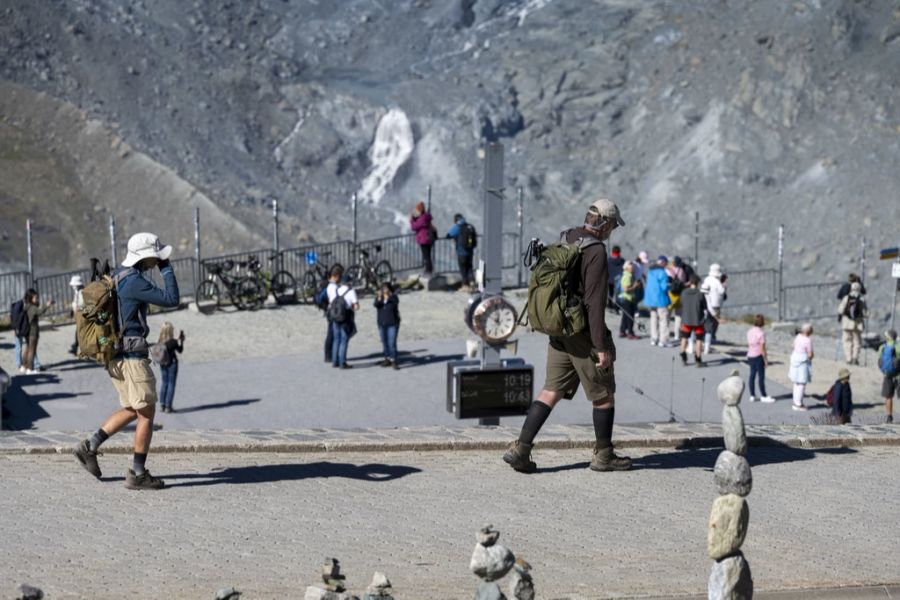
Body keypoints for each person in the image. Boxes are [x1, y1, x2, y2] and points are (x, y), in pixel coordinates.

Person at [503, 197, 631, 473]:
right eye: (613, 226)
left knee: (551, 390)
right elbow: (594, 304)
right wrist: (601, 347)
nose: (613, 232)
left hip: (558, 327)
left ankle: (521, 448)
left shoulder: (568, 236)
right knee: (604, 394)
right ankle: (604, 455)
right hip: (581, 332)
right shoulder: (595, 251)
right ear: (605, 224)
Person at [73, 232, 180, 490]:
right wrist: (166, 270)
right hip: (131, 357)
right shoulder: (134, 281)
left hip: (116, 355)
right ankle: (137, 473)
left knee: (134, 407)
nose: (159, 260)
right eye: (157, 257)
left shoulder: (119, 275)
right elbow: (172, 299)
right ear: (147, 256)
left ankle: (90, 446)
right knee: (147, 412)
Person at [328, 272, 360, 369]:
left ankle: (334, 361)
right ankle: (342, 363)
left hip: (335, 316)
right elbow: (356, 306)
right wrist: (354, 307)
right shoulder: (351, 291)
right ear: (349, 282)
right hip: (345, 318)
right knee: (344, 340)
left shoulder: (336, 290)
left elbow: (331, 302)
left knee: (336, 339)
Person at [21, 289, 55, 374]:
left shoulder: (26, 306)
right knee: (32, 350)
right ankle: (30, 369)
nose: (37, 299)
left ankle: (24, 367)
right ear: (30, 298)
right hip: (33, 332)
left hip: (27, 331)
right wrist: (47, 305)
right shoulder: (32, 308)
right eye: (36, 298)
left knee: (27, 349)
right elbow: (41, 311)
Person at [677, 274, 706, 367]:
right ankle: (698, 359)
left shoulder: (684, 293)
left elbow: (681, 303)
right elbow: (705, 308)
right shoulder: (700, 294)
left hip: (686, 319)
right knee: (699, 340)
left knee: (684, 338)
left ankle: (683, 357)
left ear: (690, 282)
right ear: (697, 283)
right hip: (698, 320)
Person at [156, 322, 185, 413]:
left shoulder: (159, 341)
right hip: (172, 363)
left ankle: (162, 405)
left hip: (163, 363)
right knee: (171, 384)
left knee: (164, 383)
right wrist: (181, 341)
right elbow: (180, 350)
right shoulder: (173, 342)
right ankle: (168, 406)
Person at [644, 255, 672, 347]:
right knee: (663, 320)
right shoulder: (662, 273)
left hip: (651, 300)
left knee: (653, 319)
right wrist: (670, 285)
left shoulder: (650, 271)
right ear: (663, 262)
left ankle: (654, 338)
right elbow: (664, 287)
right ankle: (663, 340)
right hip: (661, 299)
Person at [837, 281, 867, 365]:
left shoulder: (846, 298)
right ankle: (855, 358)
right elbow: (865, 313)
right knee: (857, 341)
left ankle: (848, 358)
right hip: (857, 324)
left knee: (847, 340)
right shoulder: (861, 299)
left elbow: (840, 310)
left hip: (847, 323)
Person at [746, 315, 774, 403]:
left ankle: (752, 395)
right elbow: (763, 349)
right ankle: (763, 395)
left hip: (750, 355)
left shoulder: (749, 331)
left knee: (752, 375)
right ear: (762, 322)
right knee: (761, 377)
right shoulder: (761, 333)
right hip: (758, 356)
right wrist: (765, 359)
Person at [701, 263, 726, 354]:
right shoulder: (717, 282)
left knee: (707, 323)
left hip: (706, 304)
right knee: (713, 324)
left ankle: (706, 342)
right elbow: (722, 291)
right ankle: (709, 342)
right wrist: (724, 285)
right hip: (715, 305)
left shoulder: (707, 279)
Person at [374, 282, 401, 369]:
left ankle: (393, 360)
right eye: (382, 288)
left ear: (389, 289)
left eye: (385, 288)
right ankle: (387, 358)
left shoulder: (394, 297)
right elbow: (376, 305)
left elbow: (394, 304)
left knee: (392, 343)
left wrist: (387, 297)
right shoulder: (379, 298)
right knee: (384, 342)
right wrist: (379, 297)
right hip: (382, 323)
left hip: (392, 323)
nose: (384, 290)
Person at [446, 213, 477, 291]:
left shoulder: (457, 227)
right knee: (469, 267)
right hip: (470, 251)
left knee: (463, 269)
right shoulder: (470, 226)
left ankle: (465, 284)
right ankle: (472, 282)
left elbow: (448, 235)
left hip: (461, 252)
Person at [788, 323, 814, 411]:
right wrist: (810, 357)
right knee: (802, 383)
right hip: (802, 361)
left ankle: (795, 401)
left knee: (796, 383)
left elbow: (793, 345)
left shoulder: (798, 336)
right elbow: (810, 353)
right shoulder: (808, 340)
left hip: (795, 358)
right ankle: (798, 404)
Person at [877, 329, 898, 424]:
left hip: (887, 374)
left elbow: (879, 360)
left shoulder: (882, 347)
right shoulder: (898, 346)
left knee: (888, 396)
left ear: (888, 337)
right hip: (899, 375)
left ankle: (889, 416)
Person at [410, 202, 435, 276]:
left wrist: (411, 220)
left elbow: (414, 227)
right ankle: (429, 269)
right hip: (429, 238)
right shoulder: (426, 217)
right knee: (428, 255)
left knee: (426, 256)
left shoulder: (422, 218)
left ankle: (428, 270)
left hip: (424, 239)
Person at [617, 261, 640, 340]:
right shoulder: (627, 276)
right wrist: (635, 286)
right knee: (630, 316)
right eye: (631, 267)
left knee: (625, 316)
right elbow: (626, 289)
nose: (633, 268)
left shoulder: (629, 275)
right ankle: (630, 333)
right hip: (627, 298)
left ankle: (622, 331)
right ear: (627, 268)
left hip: (627, 298)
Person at [69, 275, 85, 355]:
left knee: (80, 332)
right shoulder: (77, 292)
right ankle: (75, 347)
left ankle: (78, 348)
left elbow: (82, 304)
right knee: (78, 332)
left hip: (81, 314)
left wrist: (79, 310)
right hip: (78, 314)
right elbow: (75, 302)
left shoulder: (82, 292)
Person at [607, 246, 625, 314]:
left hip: (610, 279)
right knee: (618, 294)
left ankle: (610, 305)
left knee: (610, 293)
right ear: (619, 252)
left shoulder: (609, 260)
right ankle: (617, 308)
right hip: (618, 280)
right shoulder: (622, 261)